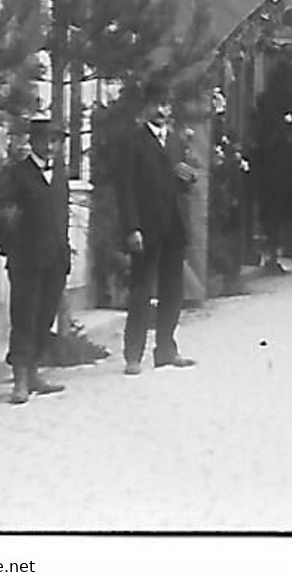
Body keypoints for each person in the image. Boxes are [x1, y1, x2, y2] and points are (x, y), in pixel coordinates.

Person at [0, 116, 72, 404]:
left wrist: (65, 249)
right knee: (24, 318)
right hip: (27, 262)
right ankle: (20, 379)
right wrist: (11, 249)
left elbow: (62, 216)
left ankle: (35, 372)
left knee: (43, 317)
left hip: (55, 260)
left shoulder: (60, 175)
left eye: (56, 141)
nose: (50, 147)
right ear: (32, 142)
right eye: (45, 140)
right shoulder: (15, 175)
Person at [117, 86, 198, 375]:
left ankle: (165, 349)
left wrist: (188, 177)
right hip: (146, 227)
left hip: (173, 225)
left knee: (172, 290)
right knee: (140, 290)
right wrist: (131, 227)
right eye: (156, 105)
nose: (162, 111)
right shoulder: (134, 142)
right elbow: (125, 188)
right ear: (146, 108)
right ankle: (133, 355)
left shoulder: (175, 142)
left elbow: (181, 180)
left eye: (165, 105)